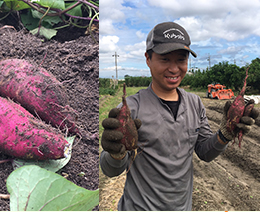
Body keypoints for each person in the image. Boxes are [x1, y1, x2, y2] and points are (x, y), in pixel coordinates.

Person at [99, 22, 259, 211]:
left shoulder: (194, 103)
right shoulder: (132, 108)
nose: (174, 69)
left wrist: (225, 134)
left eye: (181, 60)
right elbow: (111, 171)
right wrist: (116, 155)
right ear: (148, 59)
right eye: (165, 59)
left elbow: (204, 152)